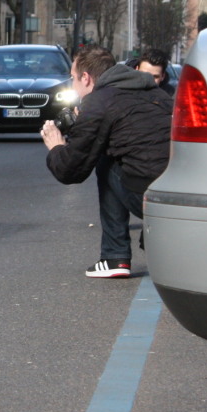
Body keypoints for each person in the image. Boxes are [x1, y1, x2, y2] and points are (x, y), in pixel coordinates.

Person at [40, 45, 173, 279]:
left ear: (85, 77)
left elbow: (71, 170)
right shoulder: (159, 94)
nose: (73, 85)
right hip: (178, 192)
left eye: (73, 78)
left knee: (105, 161)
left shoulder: (98, 102)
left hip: (148, 197)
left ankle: (115, 257)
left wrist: (56, 145)